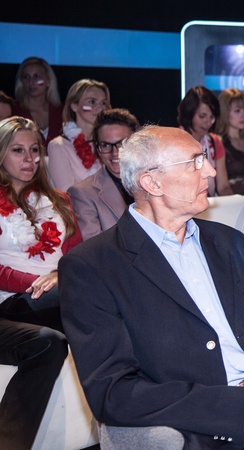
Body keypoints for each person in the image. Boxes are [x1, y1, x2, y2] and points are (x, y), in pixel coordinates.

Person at [58, 126, 244, 449]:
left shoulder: (230, 243)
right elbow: (114, 393)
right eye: (195, 162)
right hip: (205, 431)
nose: (212, 171)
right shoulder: (92, 267)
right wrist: (243, 407)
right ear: (152, 182)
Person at [0, 116, 81, 449]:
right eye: (17, 150)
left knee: (52, 340)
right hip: (10, 303)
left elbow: (76, 257)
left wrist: (59, 276)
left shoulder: (59, 199)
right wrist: (39, 281)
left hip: (57, 295)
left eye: (34, 150)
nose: (29, 159)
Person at [67, 108, 140, 240]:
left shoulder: (155, 180)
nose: (115, 153)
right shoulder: (83, 193)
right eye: (106, 145)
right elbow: (95, 247)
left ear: (137, 144)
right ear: (97, 148)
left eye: (121, 144)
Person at [48, 79, 110, 191]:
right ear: (74, 106)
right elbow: (67, 192)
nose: (100, 108)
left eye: (103, 103)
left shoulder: (110, 143)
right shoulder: (58, 146)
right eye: (92, 102)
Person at [177, 86, 233, 197]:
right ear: (189, 114)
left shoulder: (215, 142)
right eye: (202, 116)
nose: (208, 122)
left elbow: (223, 187)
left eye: (212, 117)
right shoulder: (173, 141)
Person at [13, 57, 64, 146]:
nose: (31, 82)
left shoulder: (62, 112)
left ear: (48, 81)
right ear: (21, 82)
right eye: (26, 77)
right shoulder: (14, 111)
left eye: (37, 76)